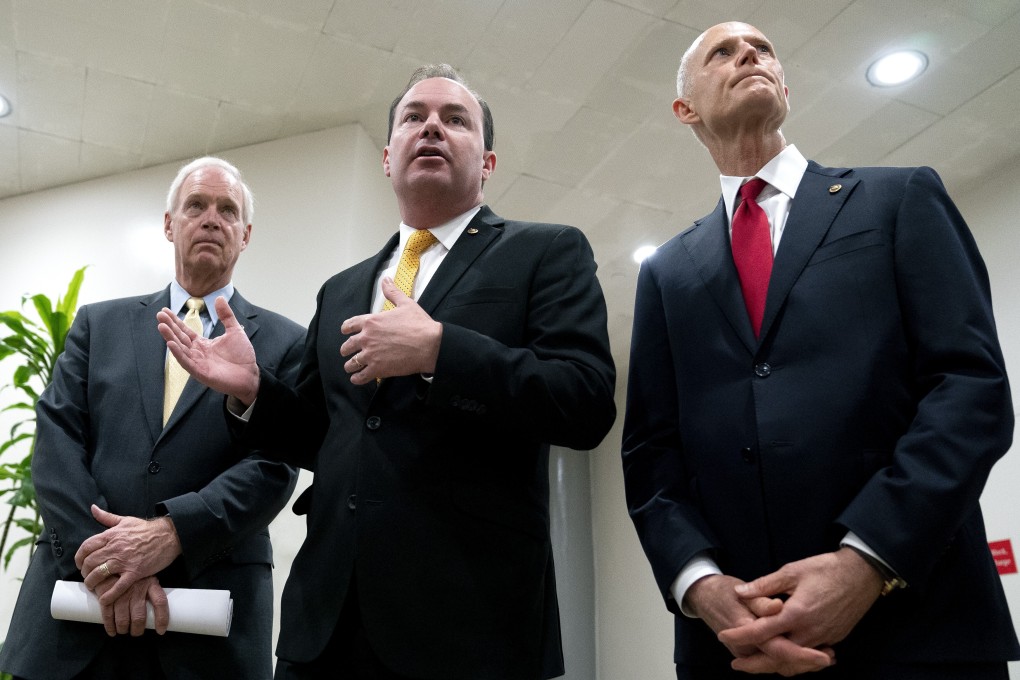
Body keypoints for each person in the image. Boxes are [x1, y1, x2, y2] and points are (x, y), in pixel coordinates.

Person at [157, 64, 616, 680]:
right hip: (328, 623)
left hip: (470, 621)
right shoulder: (344, 289)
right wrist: (254, 392)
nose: (431, 128)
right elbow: (323, 434)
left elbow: (584, 401)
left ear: (488, 162)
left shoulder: (547, 252)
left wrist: (440, 352)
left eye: (455, 120)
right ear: (387, 157)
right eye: (413, 118)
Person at [622, 21, 1018, 680]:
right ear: (684, 108)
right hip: (738, 649)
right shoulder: (665, 273)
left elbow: (970, 388)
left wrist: (868, 560)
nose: (749, 52)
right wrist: (701, 587)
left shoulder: (899, 200)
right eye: (723, 51)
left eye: (763, 49)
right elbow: (651, 455)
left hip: (920, 629)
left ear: (783, 84)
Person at [0, 157, 305, 680]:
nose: (211, 218)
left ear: (245, 234)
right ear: (169, 224)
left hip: (207, 618)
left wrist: (171, 534)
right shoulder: (98, 325)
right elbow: (56, 444)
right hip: (76, 614)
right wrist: (107, 563)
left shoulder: (285, 342)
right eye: (196, 205)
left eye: (227, 210)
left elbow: (274, 464)